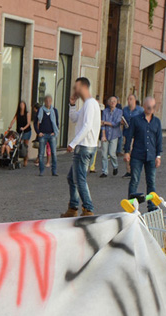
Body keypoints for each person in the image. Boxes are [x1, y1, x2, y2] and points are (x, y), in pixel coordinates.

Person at [62, 77, 100, 217]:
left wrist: (73, 143)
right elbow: (74, 118)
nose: (75, 89)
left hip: (84, 146)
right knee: (71, 178)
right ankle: (73, 207)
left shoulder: (90, 104)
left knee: (79, 179)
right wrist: (72, 104)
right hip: (86, 146)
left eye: (76, 87)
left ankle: (88, 208)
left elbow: (87, 126)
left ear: (83, 87)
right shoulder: (87, 105)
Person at [123, 96, 162, 211]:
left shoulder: (157, 122)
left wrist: (158, 156)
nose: (152, 109)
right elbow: (129, 136)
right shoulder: (136, 120)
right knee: (134, 180)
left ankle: (152, 206)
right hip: (137, 155)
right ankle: (131, 206)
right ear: (144, 107)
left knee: (151, 182)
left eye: (154, 107)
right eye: (149, 107)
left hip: (151, 156)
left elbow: (159, 139)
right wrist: (126, 152)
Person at [98, 96, 124, 177]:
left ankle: (115, 166)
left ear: (116, 103)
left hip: (114, 135)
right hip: (105, 134)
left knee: (112, 153)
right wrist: (103, 135)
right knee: (104, 154)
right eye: (111, 101)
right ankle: (104, 171)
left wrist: (105, 122)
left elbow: (116, 124)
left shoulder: (119, 112)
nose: (112, 103)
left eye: (114, 101)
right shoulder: (105, 111)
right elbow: (102, 124)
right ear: (108, 102)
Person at [35, 95, 59, 177]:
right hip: (43, 134)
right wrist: (38, 132)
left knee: (54, 153)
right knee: (41, 153)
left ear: (51, 101)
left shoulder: (54, 111)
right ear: (44, 101)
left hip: (52, 135)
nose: (48, 102)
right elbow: (35, 123)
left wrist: (54, 132)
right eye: (47, 100)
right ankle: (41, 171)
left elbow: (57, 123)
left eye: (49, 100)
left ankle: (54, 171)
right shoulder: (40, 110)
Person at [120, 94, 141, 176]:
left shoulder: (140, 110)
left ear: (135, 100)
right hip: (127, 133)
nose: (129, 101)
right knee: (127, 150)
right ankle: (128, 170)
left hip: (136, 134)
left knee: (134, 152)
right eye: (128, 99)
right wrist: (122, 122)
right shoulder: (125, 110)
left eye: (131, 99)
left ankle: (134, 169)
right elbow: (121, 118)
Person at [7, 101, 32, 168]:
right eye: (21, 105)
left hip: (26, 131)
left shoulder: (27, 113)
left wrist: (24, 128)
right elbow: (14, 120)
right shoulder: (18, 113)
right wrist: (10, 126)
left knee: (25, 145)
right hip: (19, 131)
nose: (22, 106)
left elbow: (28, 123)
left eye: (23, 105)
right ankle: (16, 158)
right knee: (17, 144)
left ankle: (25, 158)